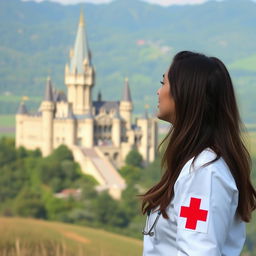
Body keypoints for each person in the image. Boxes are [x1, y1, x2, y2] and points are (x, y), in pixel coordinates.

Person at [137, 50, 256, 255]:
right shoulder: (196, 165)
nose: (158, 92)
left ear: (185, 92)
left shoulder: (204, 173)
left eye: (163, 83)